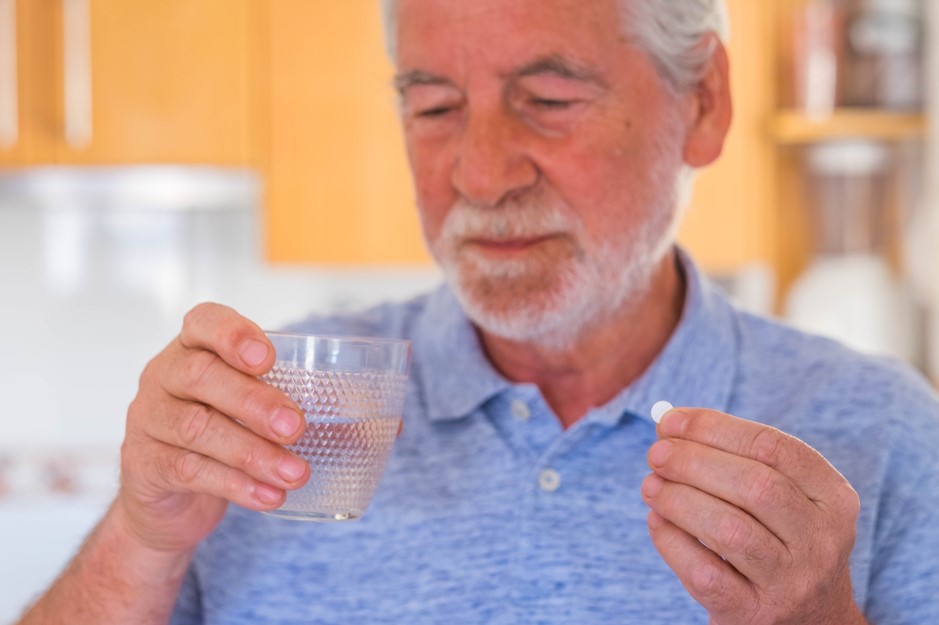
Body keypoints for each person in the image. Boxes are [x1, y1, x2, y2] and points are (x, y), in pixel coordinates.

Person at [17, 0, 939, 623]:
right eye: (434, 107)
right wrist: (139, 536)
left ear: (702, 101)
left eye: (546, 100)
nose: (479, 173)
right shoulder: (267, 417)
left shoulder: (885, 434)